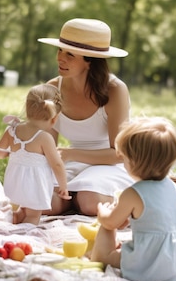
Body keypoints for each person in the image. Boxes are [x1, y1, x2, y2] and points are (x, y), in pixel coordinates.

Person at [90, 117, 176, 281]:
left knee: (105, 234)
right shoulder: (174, 186)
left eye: (125, 159)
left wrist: (103, 213)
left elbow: (111, 222)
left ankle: (105, 255)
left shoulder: (133, 193)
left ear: (135, 162)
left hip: (151, 265)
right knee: (160, 247)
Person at [37, 18, 134, 216]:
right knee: (44, 201)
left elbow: (119, 154)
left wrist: (71, 154)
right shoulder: (53, 89)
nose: (60, 58)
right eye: (60, 51)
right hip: (71, 164)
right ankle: (72, 201)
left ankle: (116, 200)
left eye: (70, 55)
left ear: (90, 60)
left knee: (90, 202)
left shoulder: (115, 90)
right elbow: (46, 144)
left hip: (111, 165)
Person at [0, 84, 71, 225]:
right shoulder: (45, 138)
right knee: (33, 215)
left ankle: (17, 218)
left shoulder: (12, 129)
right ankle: (26, 232)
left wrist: (11, 153)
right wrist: (63, 187)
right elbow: (57, 164)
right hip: (35, 187)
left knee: (23, 210)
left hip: (15, 184)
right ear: (55, 118)